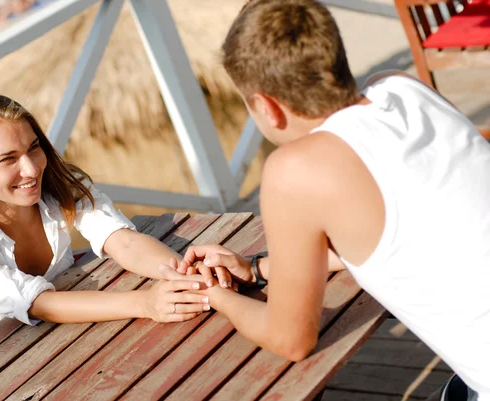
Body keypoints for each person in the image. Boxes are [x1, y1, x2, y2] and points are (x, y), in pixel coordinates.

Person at [161, 0, 490, 399]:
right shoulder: (402, 88)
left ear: (267, 107)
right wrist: (257, 269)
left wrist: (214, 294)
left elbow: (291, 340)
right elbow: (411, 235)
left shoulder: (294, 169)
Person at [0, 93, 209, 363]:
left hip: (60, 343)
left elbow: (123, 242)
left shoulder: (61, 185)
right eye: (8, 159)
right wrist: (146, 303)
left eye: (33, 147)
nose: (31, 169)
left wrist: (187, 275)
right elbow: (41, 304)